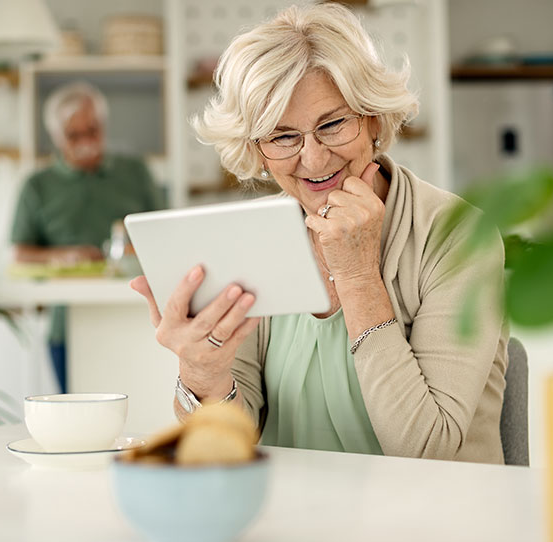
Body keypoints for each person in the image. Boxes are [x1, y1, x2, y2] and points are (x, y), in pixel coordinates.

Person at [130, 4, 508, 463]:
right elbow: (228, 445)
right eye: (283, 137)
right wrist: (202, 373)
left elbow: (427, 449)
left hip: (429, 523)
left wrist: (357, 275)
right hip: (291, 518)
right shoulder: (255, 237)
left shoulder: (458, 235)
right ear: (258, 150)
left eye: (332, 124)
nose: (313, 158)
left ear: (371, 119)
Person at [11, 81, 162, 392]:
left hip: (136, 320)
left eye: (92, 130)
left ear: (103, 126)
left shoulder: (135, 172)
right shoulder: (37, 186)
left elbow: (165, 233)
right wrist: (63, 256)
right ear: (55, 136)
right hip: (67, 326)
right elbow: (21, 253)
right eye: (73, 135)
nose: (86, 141)